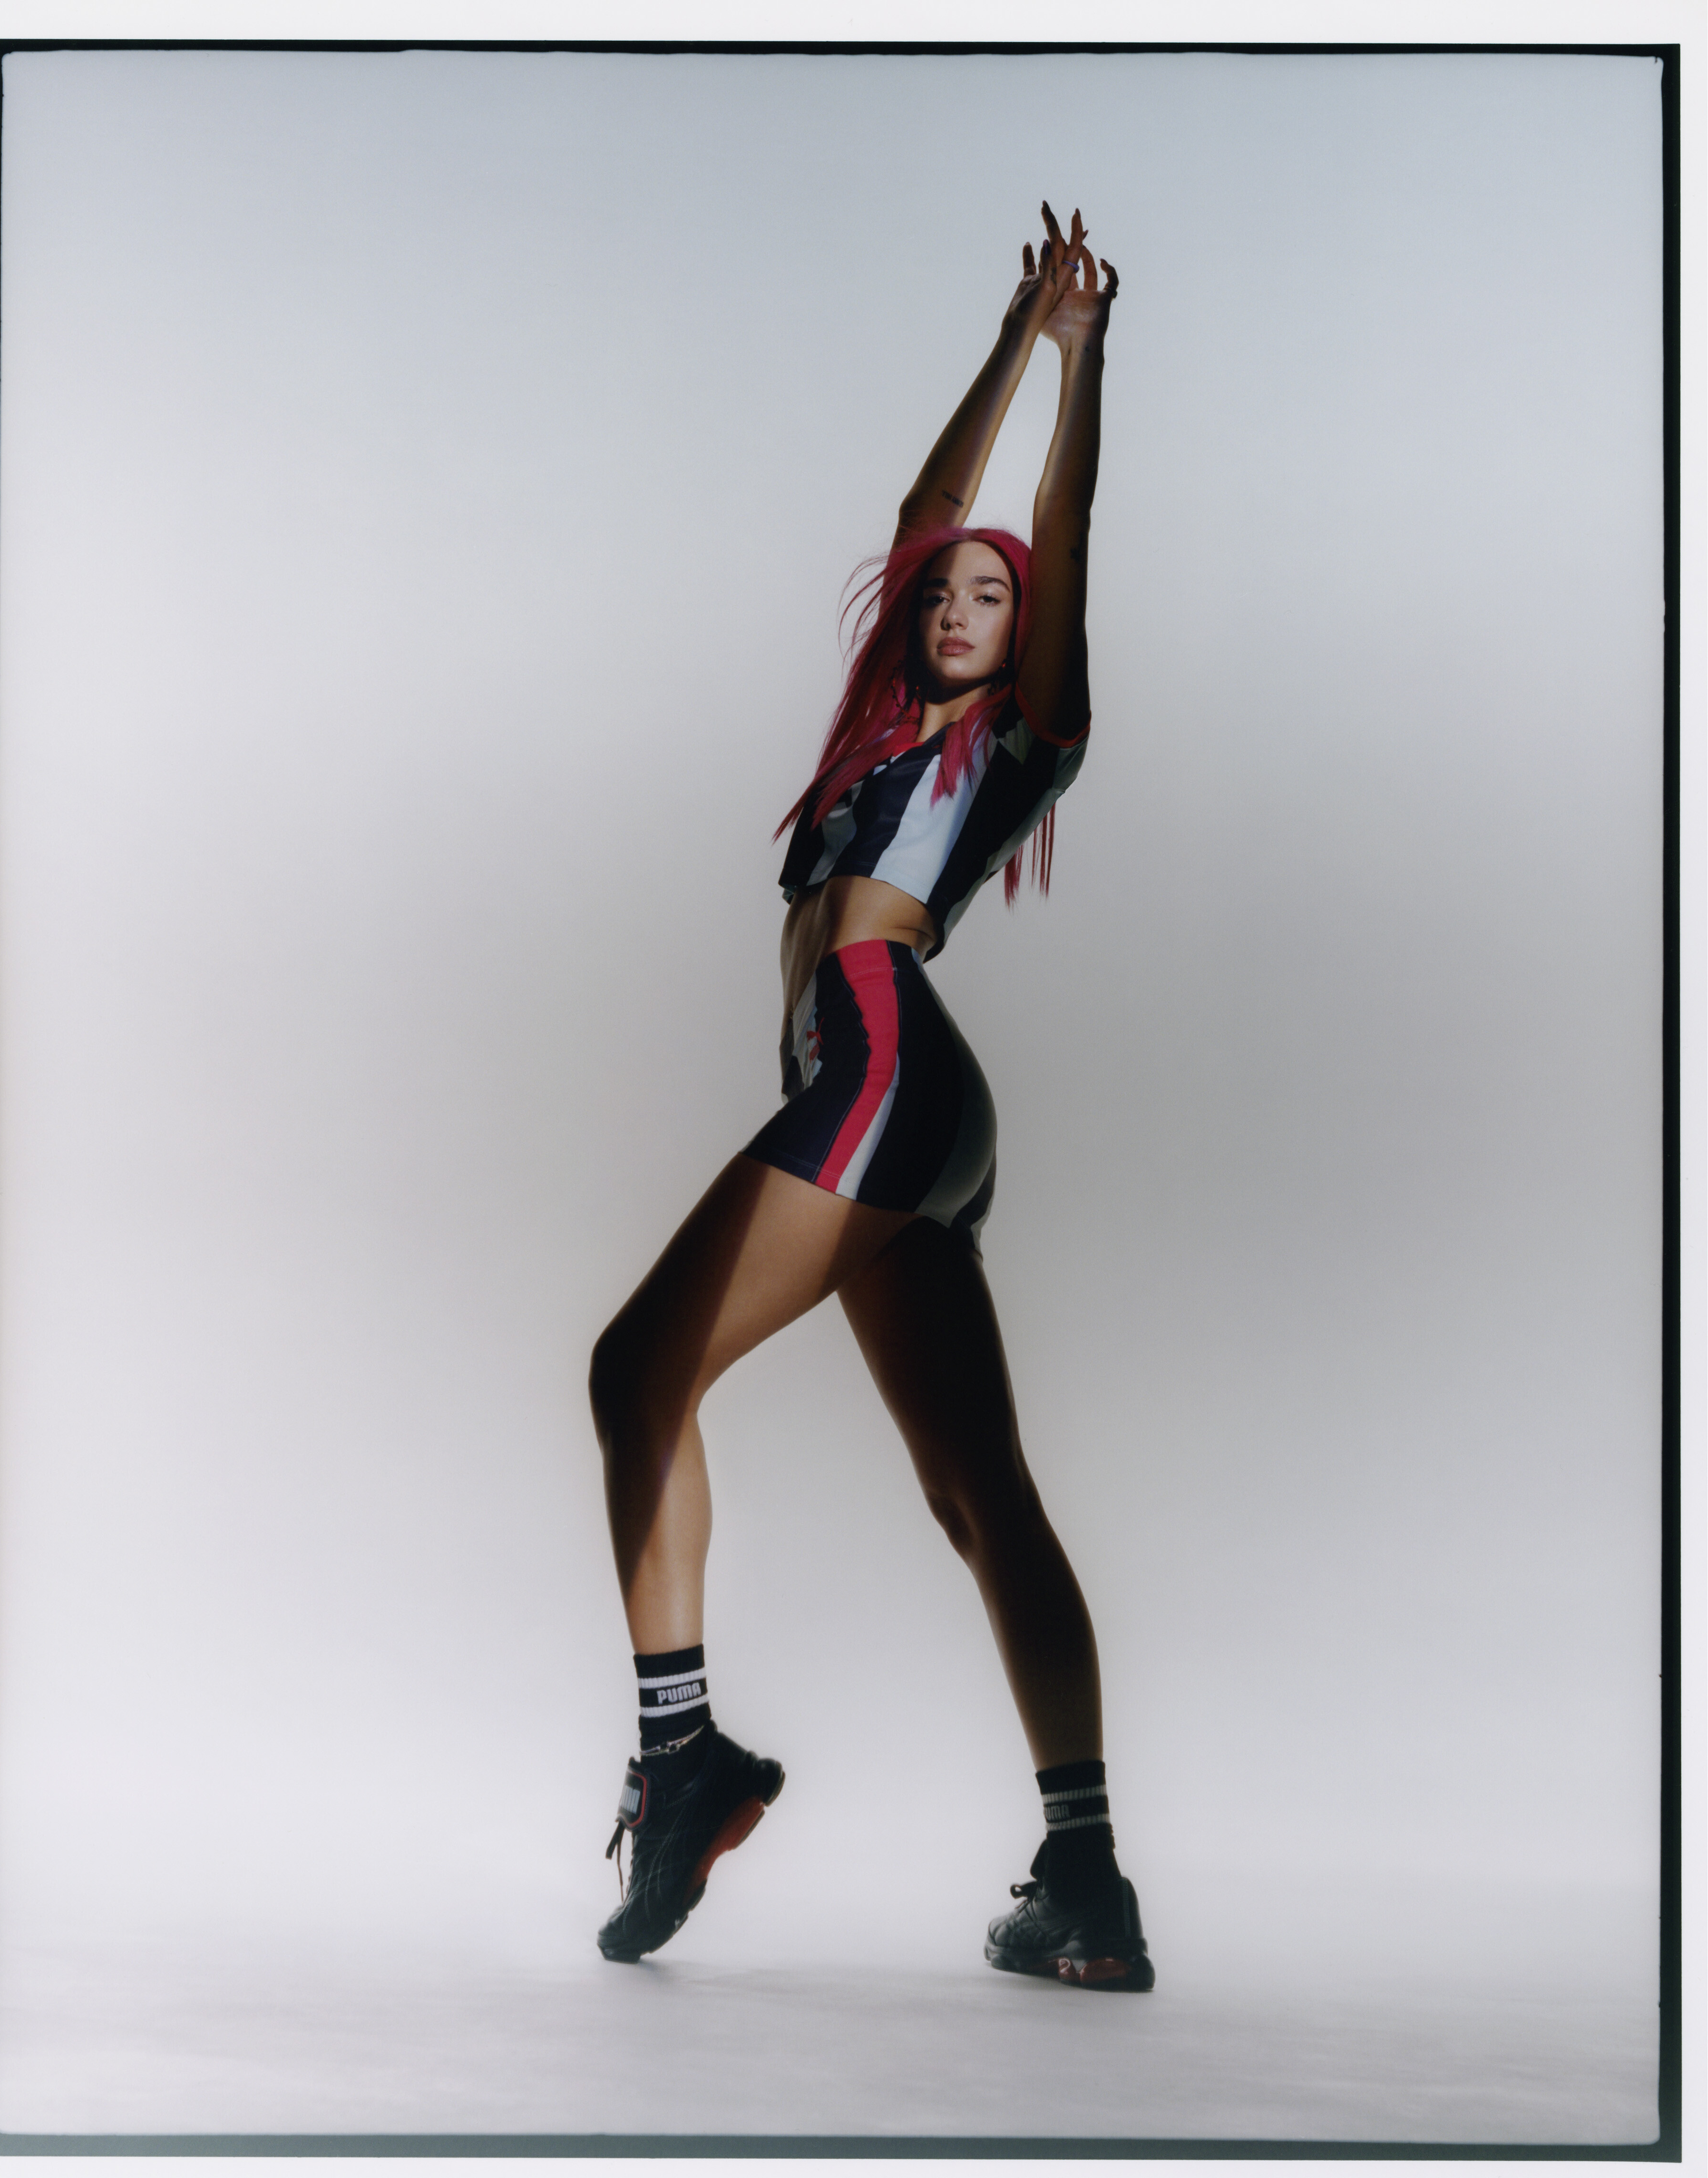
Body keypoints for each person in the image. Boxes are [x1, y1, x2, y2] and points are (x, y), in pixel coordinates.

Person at [588, 204, 1152, 1992]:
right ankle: (1089, 1880)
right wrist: (1008, 333)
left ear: (1028, 631)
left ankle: (683, 1758)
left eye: (994, 596)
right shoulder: (874, 733)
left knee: (634, 1372)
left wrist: (1080, 366)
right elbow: (928, 508)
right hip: (899, 1099)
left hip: (886, 1053)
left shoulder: (1017, 740)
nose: (962, 603)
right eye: (942, 592)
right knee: (979, 1490)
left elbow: (1052, 532)